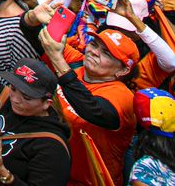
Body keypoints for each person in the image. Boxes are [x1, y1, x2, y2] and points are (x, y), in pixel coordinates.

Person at [38, 24, 138, 186]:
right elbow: (40, 40)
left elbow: (92, 110)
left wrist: (57, 60)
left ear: (123, 70)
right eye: (94, 44)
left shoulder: (123, 97)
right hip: (51, 172)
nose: (94, 52)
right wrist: (33, 18)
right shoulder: (77, 66)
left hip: (90, 181)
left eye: (106, 53)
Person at [0, 57, 72, 185]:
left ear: (46, 104)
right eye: (13, 89)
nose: (15, 99)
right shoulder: (1, 95)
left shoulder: (52, 147)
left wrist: (1, 171)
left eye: (26, 97)